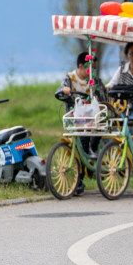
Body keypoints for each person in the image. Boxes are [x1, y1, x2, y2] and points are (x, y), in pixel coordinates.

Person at [56, 52, 104, 196]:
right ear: (81, 66)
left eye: (93, 69)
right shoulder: (70, 77)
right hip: (76, 118)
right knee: (82, 144)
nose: (92, 72)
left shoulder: (93, 80)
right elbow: (60, 90)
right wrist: (65, 90)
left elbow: (102, 95)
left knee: (99, 130)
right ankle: (79, 180)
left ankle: (91, 154)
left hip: (91, 118)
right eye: (90, 68)